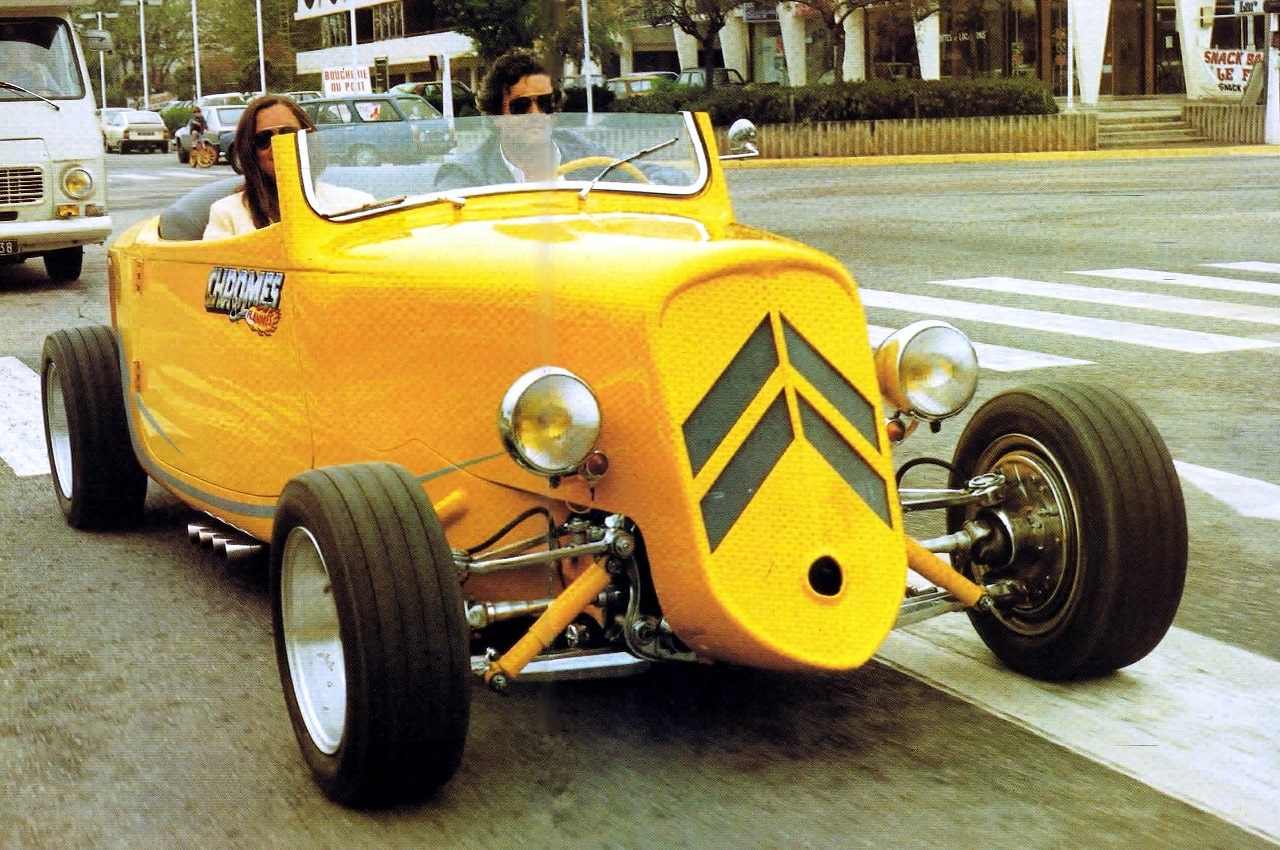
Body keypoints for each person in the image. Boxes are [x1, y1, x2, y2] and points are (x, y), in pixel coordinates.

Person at [434, 51, 615, 190]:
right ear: (496, 116)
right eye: (520, 106)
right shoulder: (468, 175)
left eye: (544, 102)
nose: (535, 114)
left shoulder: (587, 155)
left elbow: (632, 176)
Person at [204, 95, 372, 239]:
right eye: (264, 139)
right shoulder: (226, 213)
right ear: (250, 150)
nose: (278, 146)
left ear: (308, 140)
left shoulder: (358, 204)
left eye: (289, 134)